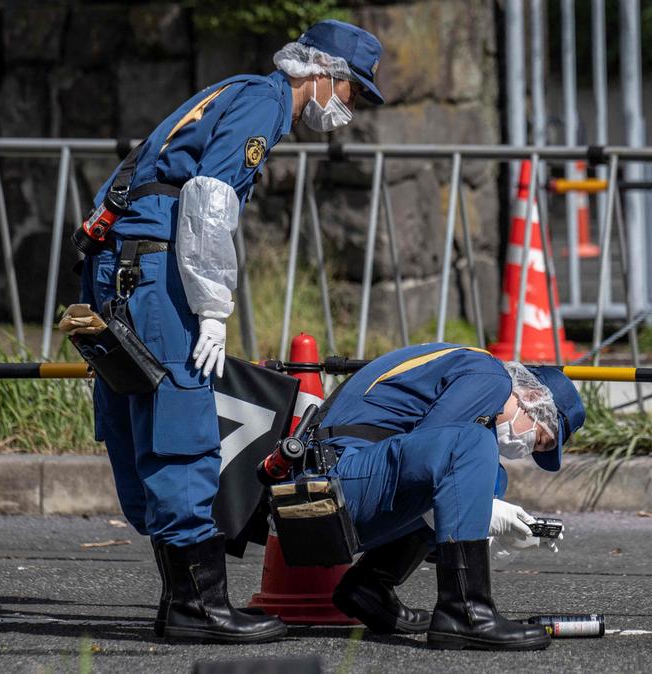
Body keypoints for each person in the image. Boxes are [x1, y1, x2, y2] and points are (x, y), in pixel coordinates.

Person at [78, 20, 385, 644]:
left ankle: (180, 600)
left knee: (140, 411)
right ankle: (199, 606)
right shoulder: (264, 103)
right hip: (157, 264)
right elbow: (209, 200)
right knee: (183, 417)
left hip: (122, 261)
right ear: (322, 74)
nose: (348, 110)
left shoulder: (232, 89)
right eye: (352, 93)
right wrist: (213, 307)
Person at [313, 342, 586, 650]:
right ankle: (466, 614)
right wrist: (488, 516)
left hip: (337, 484)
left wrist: (497, 537)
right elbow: (434, 464)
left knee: (490, 477)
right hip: (335, 483)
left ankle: (369, 585)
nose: (526, 450)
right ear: (532, 398)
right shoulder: (491, 376)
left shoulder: (470, 370)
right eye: (539, 440)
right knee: (470, 446)